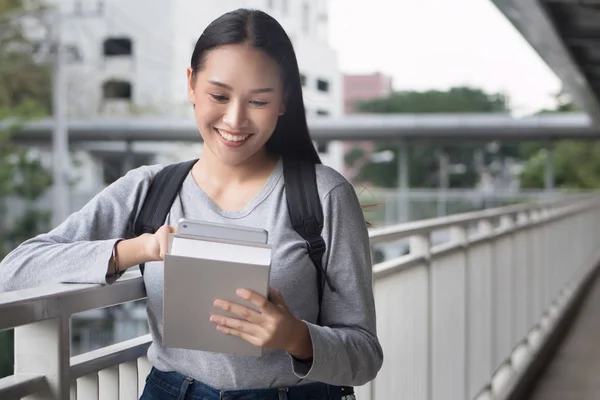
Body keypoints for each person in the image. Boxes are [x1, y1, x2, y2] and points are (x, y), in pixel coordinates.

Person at [0, 8, 383, 400]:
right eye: (219, 95)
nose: (234, 120)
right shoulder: (148, 189)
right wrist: (138, 249)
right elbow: (13, 272)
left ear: (283, 100)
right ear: (191, 86)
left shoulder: (324, 195)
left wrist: (296, 337)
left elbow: (366, 356)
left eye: (258, 101)